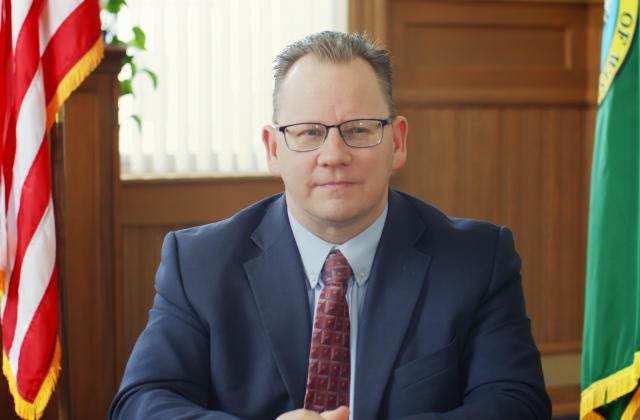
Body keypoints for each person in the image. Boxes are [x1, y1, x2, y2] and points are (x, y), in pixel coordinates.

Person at [109, 31, 551, 420]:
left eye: (358, 130)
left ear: (397, 143)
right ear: (273, 148)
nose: (334, 155)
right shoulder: (200, 264)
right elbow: (142, 403)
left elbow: (517, 403)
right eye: (307, 132)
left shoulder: (477, 259)